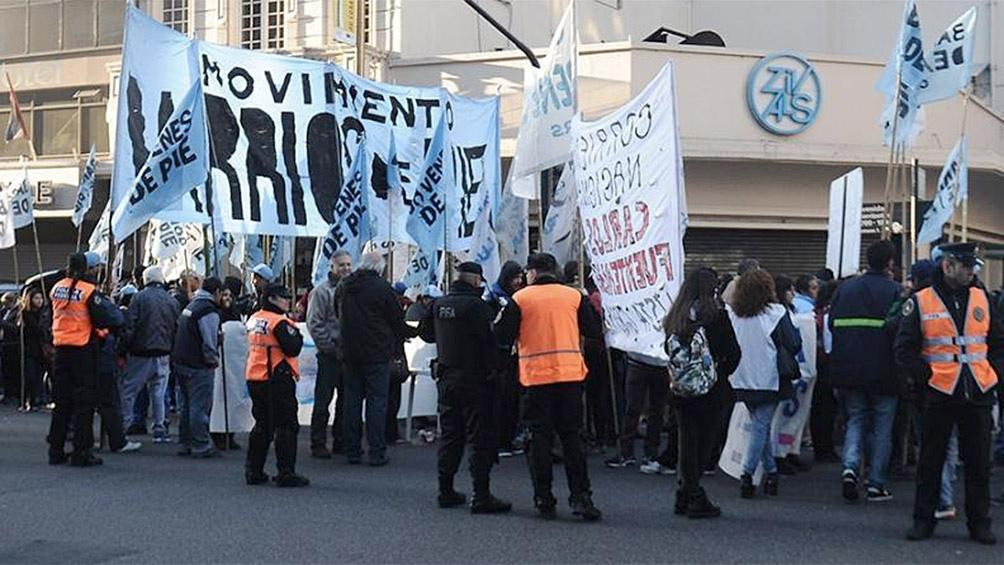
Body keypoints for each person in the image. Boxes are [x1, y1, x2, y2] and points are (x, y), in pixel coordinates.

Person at [897, 243, 1003, 544]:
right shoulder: (921, 301)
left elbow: (998, 343)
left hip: (978, 391)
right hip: (939, 391)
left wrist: (994, 376)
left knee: (979, 463)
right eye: (966, 266)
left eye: (973, 266)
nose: (972, 271)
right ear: (947, 266)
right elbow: (904, 350)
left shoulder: (983, 298)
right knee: (931, 461)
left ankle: (979, 523)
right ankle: (923, 521)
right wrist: (925, 378)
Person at [496, 253, 603, 521]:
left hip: (535, 379)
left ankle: (543, 498)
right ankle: (581, 497)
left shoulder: (520, 299)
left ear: (532, 272)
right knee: (572, 440)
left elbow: (502, 337)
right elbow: (594, 330)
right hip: (570, 377)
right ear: (554, 271)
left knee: (539, 441)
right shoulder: (574, 296)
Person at [419, 262, 511, 513]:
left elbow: (425, 333)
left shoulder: (439, 304)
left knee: (450, 435)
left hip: (447, 377)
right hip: (475, 380)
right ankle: (481, 495)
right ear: (475, 280)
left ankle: (445, 490)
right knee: (478, 437)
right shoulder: (476, 307)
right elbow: (488, 343)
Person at [663, 267, 741, 518]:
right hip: (712, 388)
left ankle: (685, 492)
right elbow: (734, 352)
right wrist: (720, 371)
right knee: (705, 442)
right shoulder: (716, 316)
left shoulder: (676, 316)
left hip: (681, 389)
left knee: (687, 441)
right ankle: (694, 494)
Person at [829, 240, 902, 503]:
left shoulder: (846, 289)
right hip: (885, 371)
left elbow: (832, 324)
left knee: (856, 420)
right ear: (890, 263)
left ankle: (849, 467)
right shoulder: (896, 291)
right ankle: (876, 483)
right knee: (883, 426)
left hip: (849, 368)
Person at [336, 252, 416, 466]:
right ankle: (376, 451)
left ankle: (352, 450)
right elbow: (396, 319)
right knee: (377, 402)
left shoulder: (344, 285)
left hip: (350, 351)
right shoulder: (382, 288)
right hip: (377, 352)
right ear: (379, 268)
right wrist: (411, 332)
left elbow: (338, 314)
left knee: (351, 401)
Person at [727, 269, 801, 498]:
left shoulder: (733, 314)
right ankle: (748, 474)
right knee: (761, 426)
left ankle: (770, 472)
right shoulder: (776, 313)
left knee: (760, 426)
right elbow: (793, 342)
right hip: (769, 378)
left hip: (740, 377)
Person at [47, 252, 123, 466]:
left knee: (61, 403)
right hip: (82, 351)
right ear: (87, 269)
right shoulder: (88, 291)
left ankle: (55, 449)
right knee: (84, 403)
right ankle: (81, 451)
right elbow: (105, 319)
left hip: (61, 350)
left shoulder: (56, 287)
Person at [245, 283, 308, 487]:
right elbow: (292, 349)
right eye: (283, 297)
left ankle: (254, 470)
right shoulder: (279, 322)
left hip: (256, 374)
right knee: (286, 425)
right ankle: (286, 472)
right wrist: (296, 332)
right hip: (276, 376)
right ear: (272, 298)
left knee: (262, 425)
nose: (288, 300)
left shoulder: (255, 318)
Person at [120, 265, 179, 443]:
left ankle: (123, 426)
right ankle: (160, 427)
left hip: (141, 352)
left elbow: (130, 325)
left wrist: (123, 348)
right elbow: (176, 327)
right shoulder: (172, 301)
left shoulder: (139, 298)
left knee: (129, 391)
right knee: (159, 393)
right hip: (163, 353)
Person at [306, 249, 352, 458]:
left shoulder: (352, 290)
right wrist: (329, 348)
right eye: (341, 265)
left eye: (349, 265)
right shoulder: (321, 291)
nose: (346, 269)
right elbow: (314, 323)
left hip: (349, 353)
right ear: (332, 266)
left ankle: (341, 440)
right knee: (323, 400)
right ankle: (318, 442)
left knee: (346, 399)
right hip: (330, 354)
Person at [173, 277, 224, 459]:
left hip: (181, 359)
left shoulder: (192, 306)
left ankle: (185, 442)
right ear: (216, 292)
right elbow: (209, 340)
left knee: (186, 405)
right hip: (198, 362)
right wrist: (213, 359)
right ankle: (201, 444)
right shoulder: (208, 310)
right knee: (199, 405)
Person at [486, 260, 526, 457]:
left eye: (521, 277)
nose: (518, 281)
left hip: (516, 356)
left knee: (512, 400)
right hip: (500, 357)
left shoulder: (518, 298)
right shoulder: (493, 299)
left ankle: (509, 438)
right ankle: (501, 441)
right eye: (515, 277)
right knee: (502, 400)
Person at [605, 348, 669, 472]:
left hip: (656, 362)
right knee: (634, 408)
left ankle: (648, 451)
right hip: (642, 360)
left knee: (655, 409)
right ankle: (629, 451)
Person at [18, 289, 51, 410]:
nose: (39, 301)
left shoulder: (45, 313)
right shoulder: (25, 313)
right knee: (30, 375)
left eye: (41, 298)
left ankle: (36, 400)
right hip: (30, 349)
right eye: (36, 298)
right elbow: (31, 329)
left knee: (39, 376)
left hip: (42, 349)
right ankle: (28, 400)